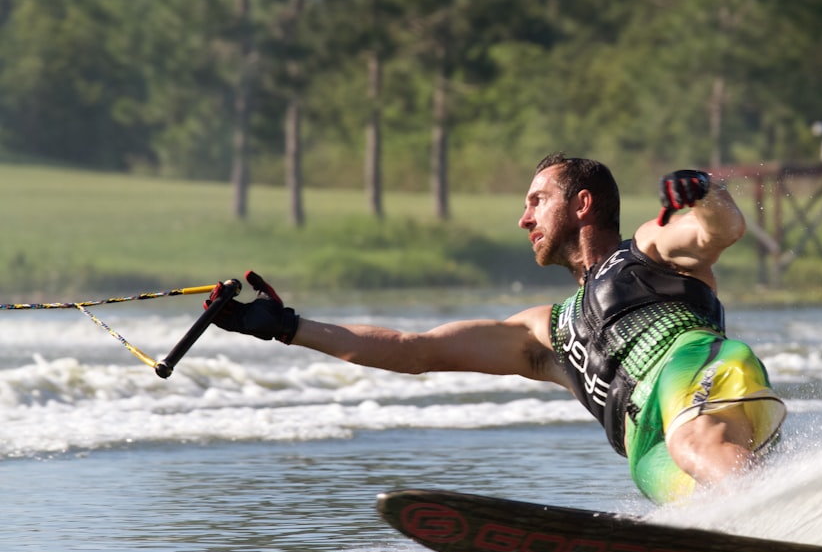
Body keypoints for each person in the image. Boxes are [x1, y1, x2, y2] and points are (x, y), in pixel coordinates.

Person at [206, 153, 786, 504]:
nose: (523, 218)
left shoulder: (648, 249)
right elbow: (416, 351)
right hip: (647, 447)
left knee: (696, 447)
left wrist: (704, 192)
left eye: (537, 201)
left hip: (696, 375)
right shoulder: (544, 334)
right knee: (693, 505)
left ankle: (779, 523)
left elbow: (719, 231)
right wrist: (286, 326)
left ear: (582, 204)